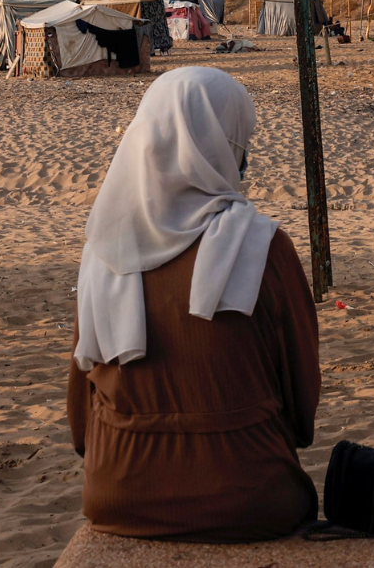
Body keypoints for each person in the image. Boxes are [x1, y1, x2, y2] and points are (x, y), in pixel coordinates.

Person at [68, 66, 320, 542]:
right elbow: (302, 403)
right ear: (224, 148)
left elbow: (80, 422)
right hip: (252, 495)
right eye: (241, 143)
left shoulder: (102, 251)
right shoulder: (265, 248)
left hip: (117, 494)